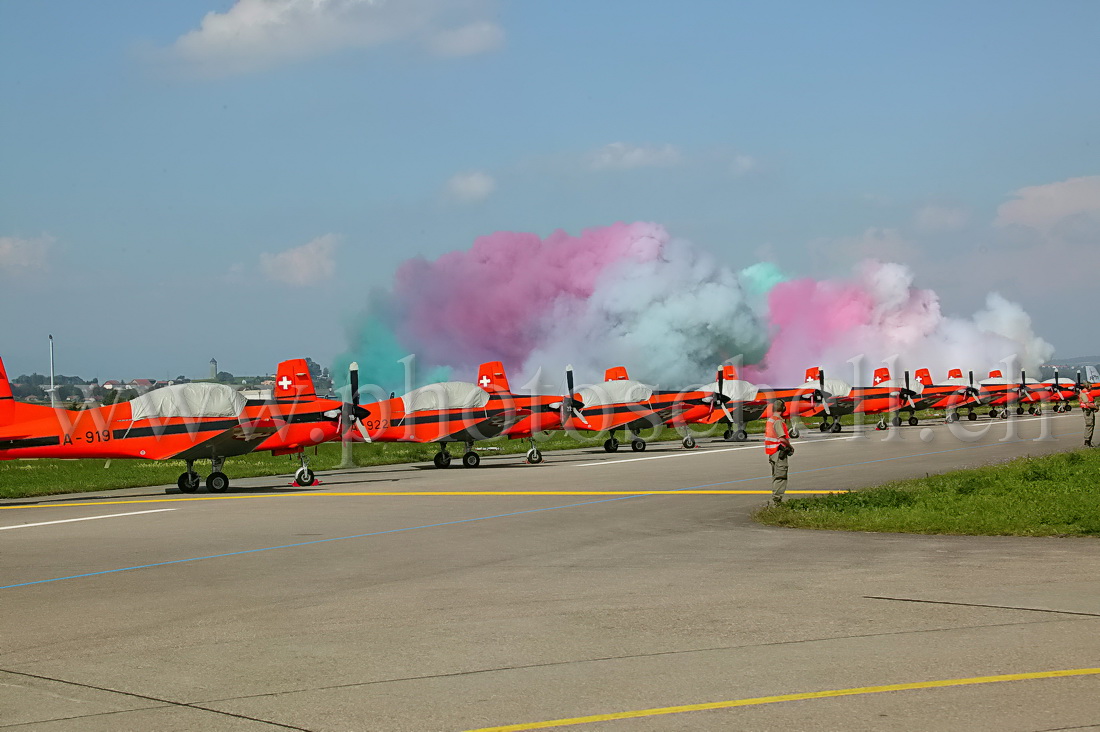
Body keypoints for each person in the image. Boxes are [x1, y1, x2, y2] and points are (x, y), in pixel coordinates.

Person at [764, 399, 793, 504]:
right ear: (783, 408)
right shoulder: (778, 421)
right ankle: (775, 502)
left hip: (772, 453)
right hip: (779, 453)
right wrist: (790, 446)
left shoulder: (770, 420)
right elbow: (781, 438)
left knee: (776, 476)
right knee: (780, 477)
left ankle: (774, 501)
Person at [1080, 383, 1097, 447]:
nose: (1091, 387)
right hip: (1088, 411)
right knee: (1089, 425)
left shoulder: (1087, 393)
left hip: (1090, 410)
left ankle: (1088, 441)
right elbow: (1088, 404)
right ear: (1087, 386)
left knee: (1091, 424)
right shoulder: (1084, 393)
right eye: (1090, 386)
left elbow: (1091, 402)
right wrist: (1096, 407)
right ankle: (1087, 441)